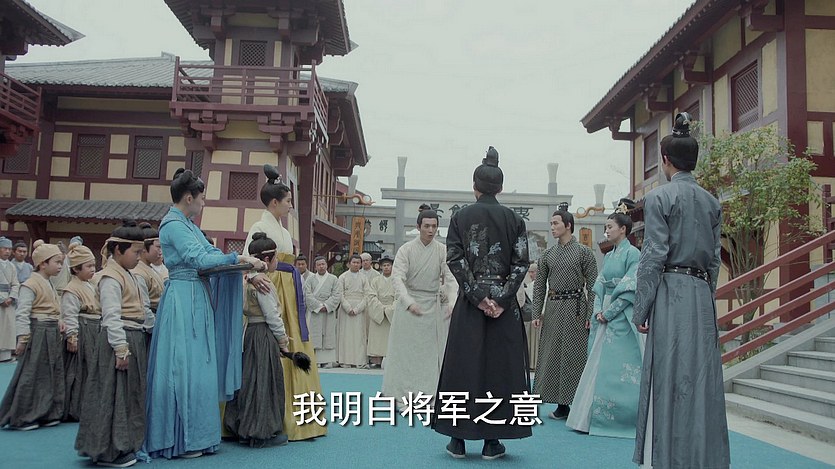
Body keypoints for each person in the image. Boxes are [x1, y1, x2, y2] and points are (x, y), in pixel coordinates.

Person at [144, 169, 266, 459]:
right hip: (182, 297)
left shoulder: (187, 225)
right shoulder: (172, 225)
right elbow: (199, 258)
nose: (203, 203)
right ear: (189, 198)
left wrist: (238, 260)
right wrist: (238, 258)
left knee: (199, 364)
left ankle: (197, 436)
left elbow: (209, 253)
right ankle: (181, 438)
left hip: (196, 294)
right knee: (182, 365)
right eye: (202, 198)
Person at [632, 113, 729, 468]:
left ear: (666, 160)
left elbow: (654, 254)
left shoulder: (659, 198)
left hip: (671, 290)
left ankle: (668, 458)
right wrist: (707, 295)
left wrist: (641, 307)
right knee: (702, 379)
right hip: (700, 293)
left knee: (669, 374)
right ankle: (703, 458)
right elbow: (715, 259)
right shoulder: (712, 202)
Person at [432, 147, 531, 460]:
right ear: (500, 188)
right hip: (504, 308)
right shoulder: (515, 220)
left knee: (463, 366)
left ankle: (457, 440)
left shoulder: (460, 217)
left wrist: (477, 296)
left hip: (470, 305)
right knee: (500, 369)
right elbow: (521, 263)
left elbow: (455, 259)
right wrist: (500, 299)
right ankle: (492, 441)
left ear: (475, 186)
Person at [243, 164, 326, 441]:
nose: (291, 205)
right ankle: (277, 417)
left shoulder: (280, 227)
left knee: (296, 340)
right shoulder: (259, 227)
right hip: (272, 286)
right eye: (288, 201)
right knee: (280, 343)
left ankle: (301, 416)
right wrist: (253, 277)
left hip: (289, 289)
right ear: (274, 202)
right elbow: (249, 260)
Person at [75, 221, 150, 468]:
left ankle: (124, 444)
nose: (138, 257)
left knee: (128, 396)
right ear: (118, 250)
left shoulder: (127, 273)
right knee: (112, 396)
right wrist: (121, 348)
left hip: (133, 336)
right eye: (135, 252)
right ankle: (109, 450)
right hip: (119, 340)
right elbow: (111, 316)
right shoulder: (110, 277)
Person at [566, 199, 643, 438]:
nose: (606, 231)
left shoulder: (634, 254)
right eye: (606, 227)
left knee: (619, 366)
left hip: (621, 315)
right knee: (597, 364)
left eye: (610, 227)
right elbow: (599, 284)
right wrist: (598, 309)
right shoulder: (609, 256)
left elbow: (630, 288)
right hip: (604, 313)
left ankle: (623, 418)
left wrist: (608, 312)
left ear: (623, 229)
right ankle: (589, 418)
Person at [382, 208, 456, 405]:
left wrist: (452, 301)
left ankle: (428, 395)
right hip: (408, 307)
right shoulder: (406, 249)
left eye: (434, 226)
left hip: (432, 306)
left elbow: (450, 278)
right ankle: (400, 395)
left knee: (430, 355)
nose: (430, 230)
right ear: (418, 227)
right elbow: (397, 278)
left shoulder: (442, 250)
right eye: (426, 226)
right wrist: (408, 302)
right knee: (405, 353)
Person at [224, 232, 290, 448]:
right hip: (263, 334)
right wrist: (283, 341)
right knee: (263, 382)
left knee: (248, 381)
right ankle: (260, 432)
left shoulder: (245, 280)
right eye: (276, 257)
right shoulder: (264, 283)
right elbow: (273, 316)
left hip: (249, 332)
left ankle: (243, 428)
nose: (277, 262)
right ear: (267, 259)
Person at [531, 208, 598, 420]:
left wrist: (590, 313)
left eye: (556, 223)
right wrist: (536, 313)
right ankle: (559, 404)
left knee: (574, 355)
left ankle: (575, 403)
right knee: (552, 354)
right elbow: (539, 286)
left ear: (568, 225)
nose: (552, 227)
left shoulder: (584, 252)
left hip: (576, 307)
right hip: (553, 307)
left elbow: (593, 285)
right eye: (551, 224)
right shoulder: (547, 255)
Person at [0, 240, 65, 430]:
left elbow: (54, 308)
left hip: (51, 331)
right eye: (57, 262)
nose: (60, 266)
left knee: (51, 374)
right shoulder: (30, 284)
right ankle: (22, 416)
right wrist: (23, 338)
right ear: (43, 263)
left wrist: (59, 321)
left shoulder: (48, 282)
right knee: (32, 374)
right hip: (38, 332)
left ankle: (46, 412)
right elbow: (22, 313)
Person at [60, 241, 99, 422]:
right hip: (82, 332)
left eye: (93, 265)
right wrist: (72, 337)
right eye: (88, 266)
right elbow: (70, 314)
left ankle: (88, 406)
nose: (93, 269)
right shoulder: (72, 289)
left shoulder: (91, 285)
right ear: (76, 269)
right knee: (78, 371)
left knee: (91, 370)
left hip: (94, 330)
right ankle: (74, 408)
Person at [303, 256, 340, 368]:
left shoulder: (333, 279)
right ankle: (315, 360)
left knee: (328, 333)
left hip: (328, 311)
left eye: (323, 264)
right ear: (315, 267)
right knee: (314, 333)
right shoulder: (310, 279)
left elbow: (337, 294)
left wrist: (327, 306)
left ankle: (327, 360)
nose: (321, 266)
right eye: (319, 265)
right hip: (315, 311)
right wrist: (318, 306)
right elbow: (307, 295)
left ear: (326, 265)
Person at [336, 254, 370, 368]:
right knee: (345, 335)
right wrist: (348, 307)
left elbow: (367, 295)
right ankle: (345, 360)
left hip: (359, 309)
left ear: (361, 264)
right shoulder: (342, 277)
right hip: (346, 308)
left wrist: (358, 309)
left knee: (359, 335)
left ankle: (359, 361)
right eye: (354, 262)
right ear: (349, 264)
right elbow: (340, 294)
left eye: (358, 263)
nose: (356, 264)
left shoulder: (364, 278)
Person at [132, 223, 165, 327]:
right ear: (144, 248)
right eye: (158, 247)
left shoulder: (150, 269)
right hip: (150, 324)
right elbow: (143, 307)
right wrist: (154, 327)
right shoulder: (138, 273)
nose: (161, 252)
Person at [367, 254, 395, 369]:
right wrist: (381, 308)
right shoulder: (375, 281)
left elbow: (399, 297)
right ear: (381, 267)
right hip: (378, 310)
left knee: (391, 337)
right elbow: (371, 296)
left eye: (388, 265)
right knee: (377, 337)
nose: (386, 267)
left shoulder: (397, 281)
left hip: (391, 310)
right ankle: (376, 360)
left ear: (392, 266)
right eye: (384, 265)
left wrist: (390, 309)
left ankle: (391, 360)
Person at [0, 236, 19, 363]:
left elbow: (16, 283)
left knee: (7, 327)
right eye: (4, 248)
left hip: (9, 300)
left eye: (9, 249)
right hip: (1, 300)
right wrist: (2, 299)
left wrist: (11, 297)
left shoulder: (12, 266)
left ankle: (5, 354)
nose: (7, 251)